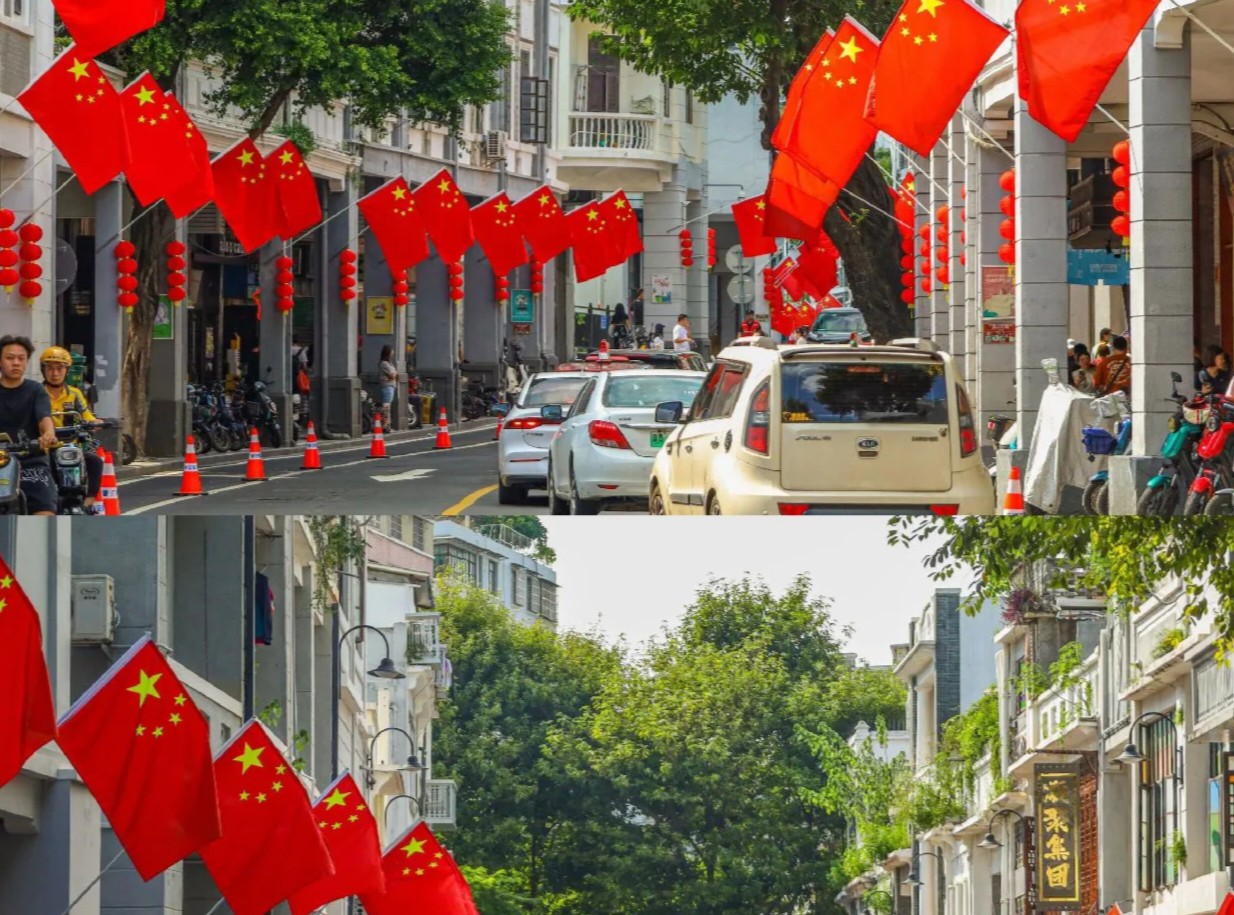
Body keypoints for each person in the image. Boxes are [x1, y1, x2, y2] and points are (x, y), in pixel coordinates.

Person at [39, 347, 104, 511]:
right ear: (43, 370)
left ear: (66, 371)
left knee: (94, 461)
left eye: (59, 368)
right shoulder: (36, 393)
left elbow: (85, 414)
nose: (55, 373)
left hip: (71, 448)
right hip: (45, 450)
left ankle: (88, 504)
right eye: (50, 368)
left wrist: (94, 422)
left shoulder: (74, 394)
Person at [0, 336, 58, 516]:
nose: (16, 363)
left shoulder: (35, 390)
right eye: (10, 358)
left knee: (45, 511)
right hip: (1, 460)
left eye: (21, 358)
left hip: (31, 462)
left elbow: (44, 417)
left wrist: (48, 434)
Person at [378, 345, 398, 428]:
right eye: (392, 350)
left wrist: (394, 374)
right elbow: (393, 375)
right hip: (387, 386)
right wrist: (394, 374)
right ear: (388, 352)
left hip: (390, 385)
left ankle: (386, 424)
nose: (393, 352)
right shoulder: (384, 363)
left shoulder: (389, 363)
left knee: (387, 405)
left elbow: (394, 375)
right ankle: (385, 425)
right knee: (386, 405)